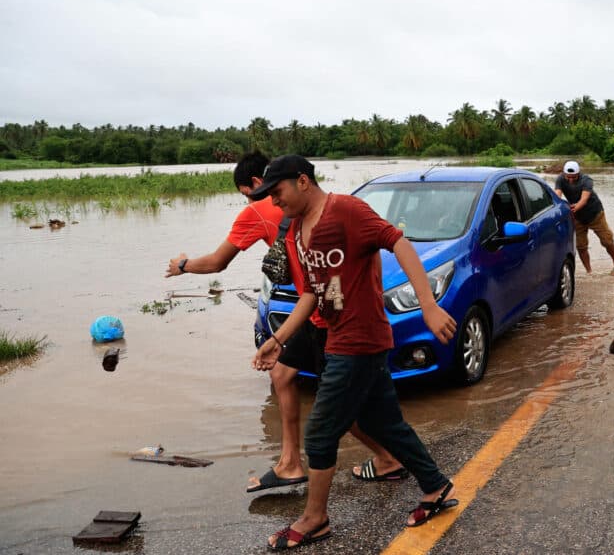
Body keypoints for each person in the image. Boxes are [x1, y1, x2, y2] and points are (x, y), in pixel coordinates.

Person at [249, 155, 459, 549]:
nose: (275, 202)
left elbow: (399, 243)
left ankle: (315, 518)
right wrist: (278, 340)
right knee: (385, 424)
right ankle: (435, 487)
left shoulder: (345, 210)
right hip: (339, 337)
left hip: (359, 340)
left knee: (321, 432)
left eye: (278, 192)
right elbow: (311, 294)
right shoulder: (296, 230)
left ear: (303, 182)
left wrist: (428, 304)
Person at [164, 152, 405, 493]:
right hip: (317, 308)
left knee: (337, 405)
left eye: (247, 193)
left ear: (258, 185)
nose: (258, 201)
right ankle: (290, 463)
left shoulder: (262, 210)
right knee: (282, 373)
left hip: (323, 315)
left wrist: (183, 265)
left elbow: (218, 262)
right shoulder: (320, 204)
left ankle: (387, 458)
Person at [554, 160, 614, 274]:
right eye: (568, 177)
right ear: (564, 174)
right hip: (577, 217)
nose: (570, 180)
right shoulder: (560, 179)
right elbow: (558, 195)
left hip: (595, 214)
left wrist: (575, 207)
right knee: (581, 246)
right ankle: (589, 272)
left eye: (574, 177)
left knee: (607, 241)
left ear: (578, 174)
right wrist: (559, 208)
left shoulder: (586, 180)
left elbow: (584, 199)